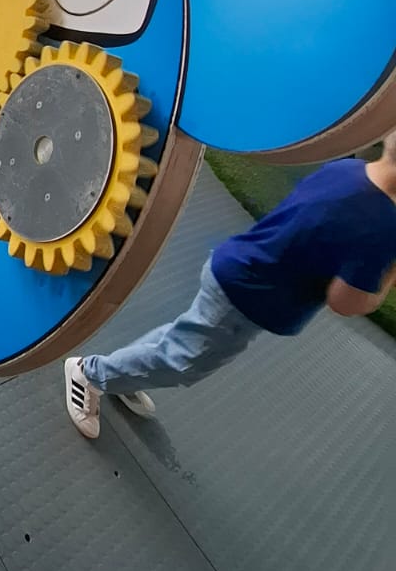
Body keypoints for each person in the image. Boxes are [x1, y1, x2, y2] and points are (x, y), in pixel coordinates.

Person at [64, 136, 396, 439]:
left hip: (238, 266)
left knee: (181, 337)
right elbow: (346, 302)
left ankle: (124, 375)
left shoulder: (349, 170)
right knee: (184, 363)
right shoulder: (384, 227)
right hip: (247, 297)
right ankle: (90, 374)